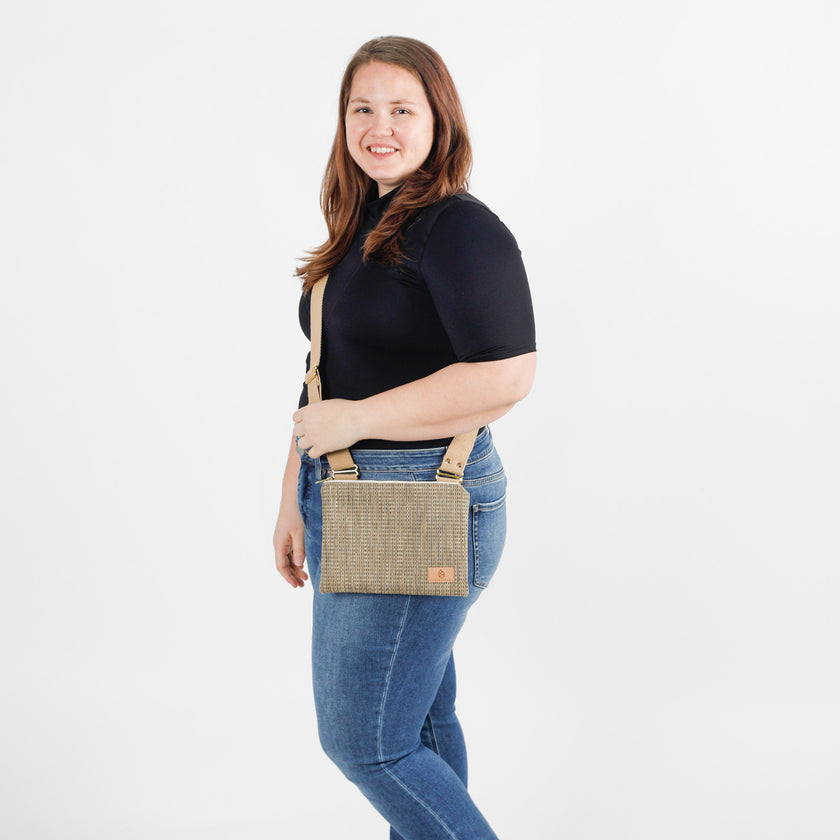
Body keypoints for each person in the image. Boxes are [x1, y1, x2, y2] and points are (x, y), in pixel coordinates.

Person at [273, 35, 536, 840]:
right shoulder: (362, 222)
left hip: (422, 496)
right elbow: (327, 373)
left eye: (400, 109)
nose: (378, 126)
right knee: (416, 723)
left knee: (366, 743)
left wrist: (352, 423)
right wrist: (291, 498)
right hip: (353, 495)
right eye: (362, 108)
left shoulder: (457, 228)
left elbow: (507, 375)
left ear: (438, 121)